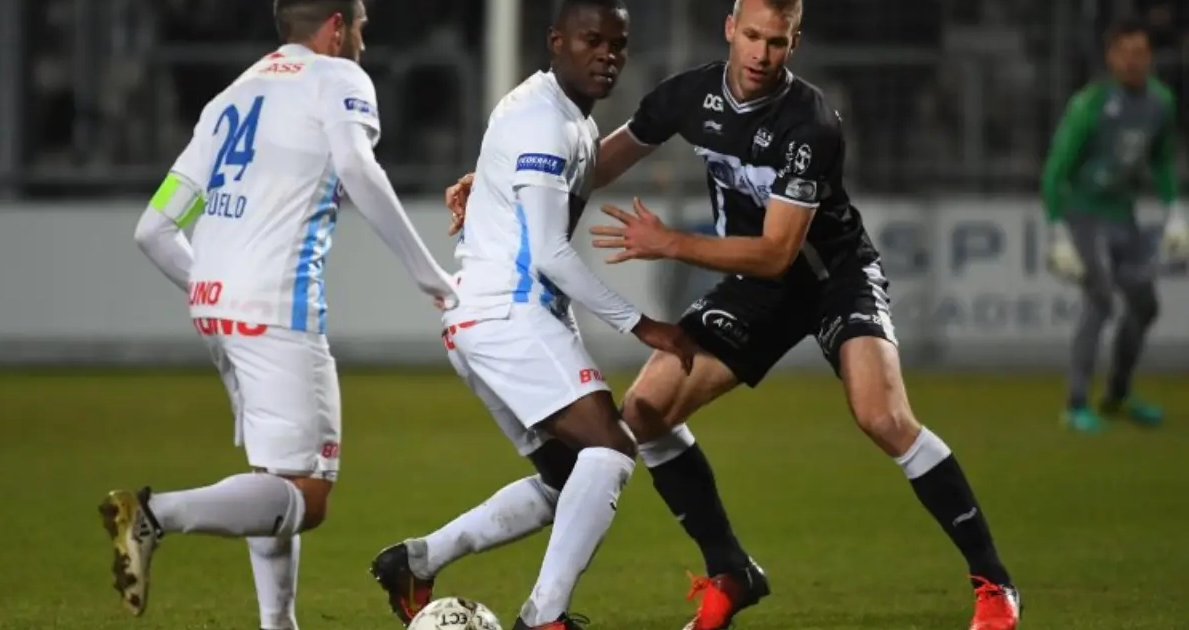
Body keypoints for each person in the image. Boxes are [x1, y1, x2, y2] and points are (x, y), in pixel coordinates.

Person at [443, 1, 1023, 629]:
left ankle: (994, 583)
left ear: (793, 44)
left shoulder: (811, 123)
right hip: (756, 288)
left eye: (776, 42)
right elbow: (596, 164)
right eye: (751, 36)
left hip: (833, 279)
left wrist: (670, 242)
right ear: (730, 29)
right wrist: (499, 177)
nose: (760, 54)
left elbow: (778, 251)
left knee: (881, 415)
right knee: (645, 412)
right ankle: (731, 571)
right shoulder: (689, 96)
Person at [101, 2, 459, 628]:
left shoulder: (231, 97)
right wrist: (430, 274)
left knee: (272, 477)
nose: (364, 41)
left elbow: (153, 229)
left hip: (215, 305)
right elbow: (358, 167)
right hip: (277, 307)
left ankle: (277, 623)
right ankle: (153, 514)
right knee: (307, 496)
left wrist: (215, 284)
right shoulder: (338, 78)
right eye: (361, 26)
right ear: (335, 26)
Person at [369, 2, 695, 629]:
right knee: (610, 449)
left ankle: (417, 561)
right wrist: (641, 324)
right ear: (555, 42)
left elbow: (530, 189)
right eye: (591, 40)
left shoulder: (556, 114)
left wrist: (485, 185)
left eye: (618, 44)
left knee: (568, 476)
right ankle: (544, 617)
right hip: (508, 314)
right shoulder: (545, 120)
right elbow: (549, 251)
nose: (607, 55)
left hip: (486, 317)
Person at [1041, 16, 1186, 433]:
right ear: (1110, 57)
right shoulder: (1091, 104)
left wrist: (1175, 212)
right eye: (1124, 53)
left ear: (1150, 56)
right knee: (1101, 298)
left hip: (1123, 214)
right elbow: (1056, 171)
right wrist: (1058, 233)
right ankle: (1075, 403)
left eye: (1140, 53)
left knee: (1145, 305)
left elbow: (1162, 160)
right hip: (1084, 213)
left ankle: (1117, 395)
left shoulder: (1160, 102)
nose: (1132, 61)